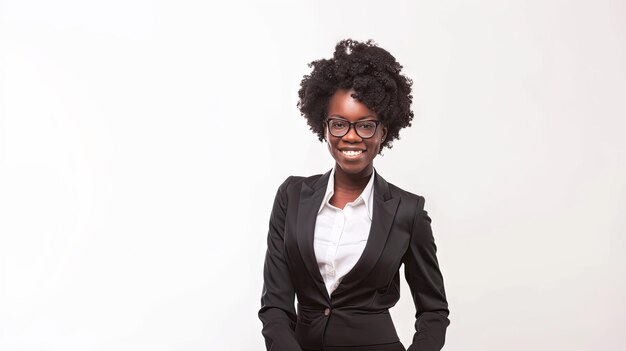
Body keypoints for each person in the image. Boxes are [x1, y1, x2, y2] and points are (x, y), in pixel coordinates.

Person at [259, 39, 450, 351]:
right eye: (339, 124)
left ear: (382, 132)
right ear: (324, 126)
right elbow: (275, 306)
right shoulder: (292, 197)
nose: (350, 136)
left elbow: (433, 311)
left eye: (365, 125)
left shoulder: (407, 211)